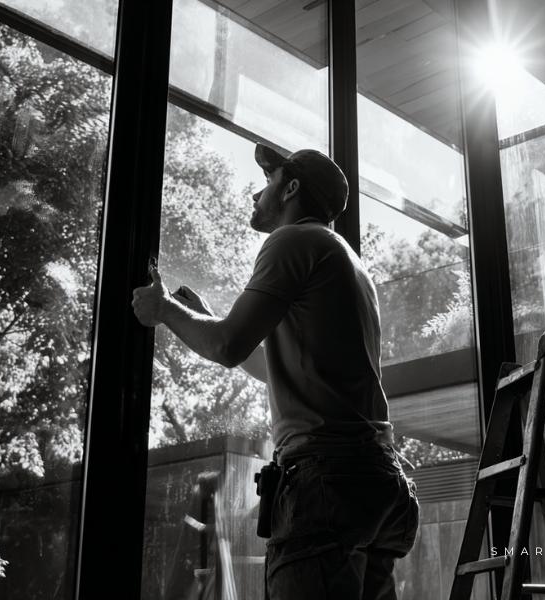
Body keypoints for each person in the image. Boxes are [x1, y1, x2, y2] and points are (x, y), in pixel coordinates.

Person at [132, 143, 419, 599]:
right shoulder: (345, 260)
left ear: (291, 188)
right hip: (379, 482)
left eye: (267, 180)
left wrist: (164, 310)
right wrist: (205, 316)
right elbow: (275, 367)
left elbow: (227, 344)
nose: (255, 193)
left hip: (327, 483)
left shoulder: (292, 240)